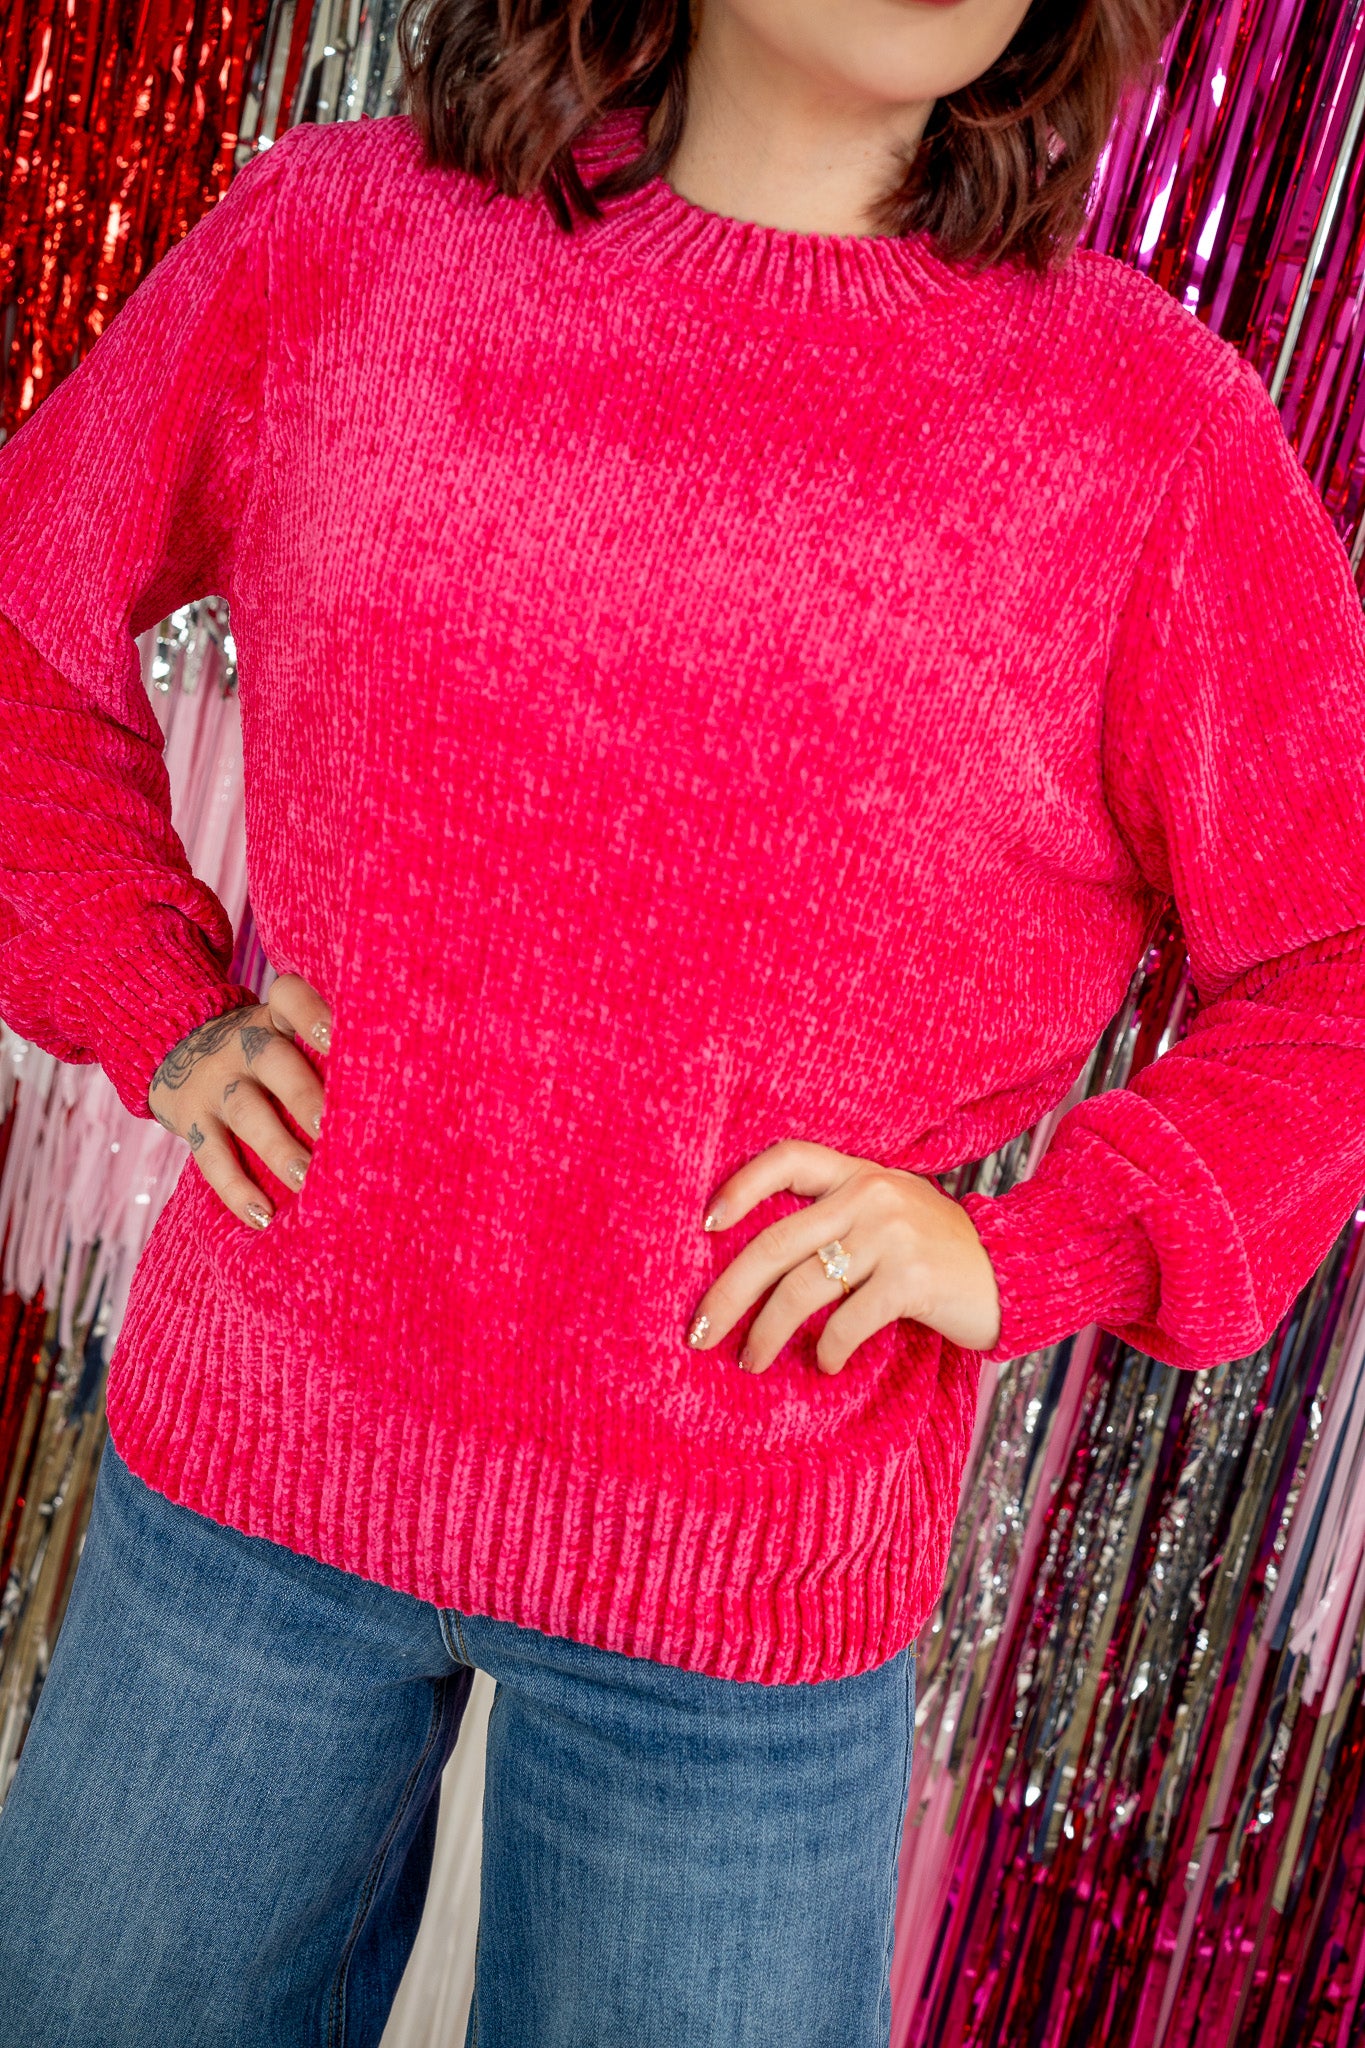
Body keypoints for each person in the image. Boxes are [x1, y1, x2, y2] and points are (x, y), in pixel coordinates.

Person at [3, 0, 1365, 2040]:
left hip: (744, 1579)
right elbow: (22, 624)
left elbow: (1332, 954)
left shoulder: (1139, 429)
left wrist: (1032, 1245)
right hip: (255, 1476)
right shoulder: (341, 245)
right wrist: (148, 990)